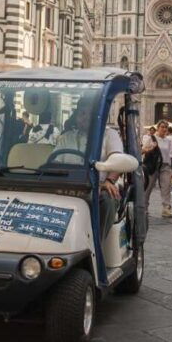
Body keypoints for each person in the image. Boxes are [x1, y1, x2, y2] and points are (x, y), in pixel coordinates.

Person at [54, 95, 123, 239]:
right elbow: (54, 163)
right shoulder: (66, 137)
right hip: (69, 186)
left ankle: (96, 245)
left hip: (99, 187)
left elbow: (118, 161)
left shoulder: (110, 135)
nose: (83, 118)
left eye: (88, 114)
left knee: (107, 200)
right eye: (81, 113)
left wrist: (109, 181)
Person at [153, 121, 172, 218]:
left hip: (165, 166)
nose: (164, 129)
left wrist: (170, 167)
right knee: (148, 187)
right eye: (162, 127)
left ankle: (166, 208)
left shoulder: (168, 141)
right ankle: (144, 207)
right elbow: (144, 150)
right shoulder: (152, 138)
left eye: (166, 127)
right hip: (153, 166)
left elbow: (169, 154)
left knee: (166, 187)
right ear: (158, 128)